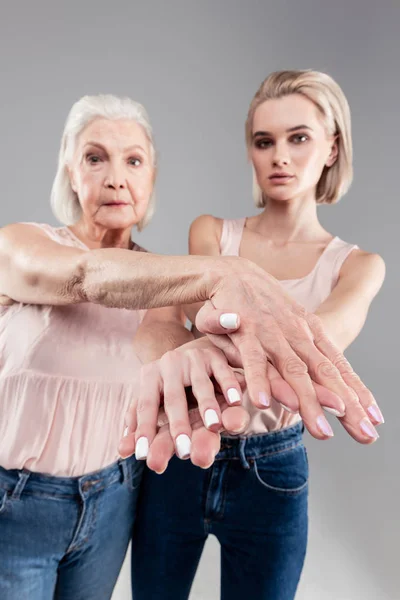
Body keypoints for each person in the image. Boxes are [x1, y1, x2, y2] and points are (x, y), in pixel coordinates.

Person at [0, 91, 372, 599]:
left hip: (113, 498)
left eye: (133, 160)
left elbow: (166, 338)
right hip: (15, 501)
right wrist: (228, 271)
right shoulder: (22, 245)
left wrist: (194, 355)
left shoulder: (165, 282)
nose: (115, 177)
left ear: (152, 176)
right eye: (94, 158)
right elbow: (88, 275)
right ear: (69, 169)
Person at [128, 70, 385, 600]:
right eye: (264, 142)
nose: (279, 157)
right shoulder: (211, 234)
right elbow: (191, 334)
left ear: (332, 147)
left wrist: (205, 341)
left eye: (299, 138)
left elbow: (315, 345)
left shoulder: (358, 267)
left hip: (273, 468)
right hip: (182, 454)